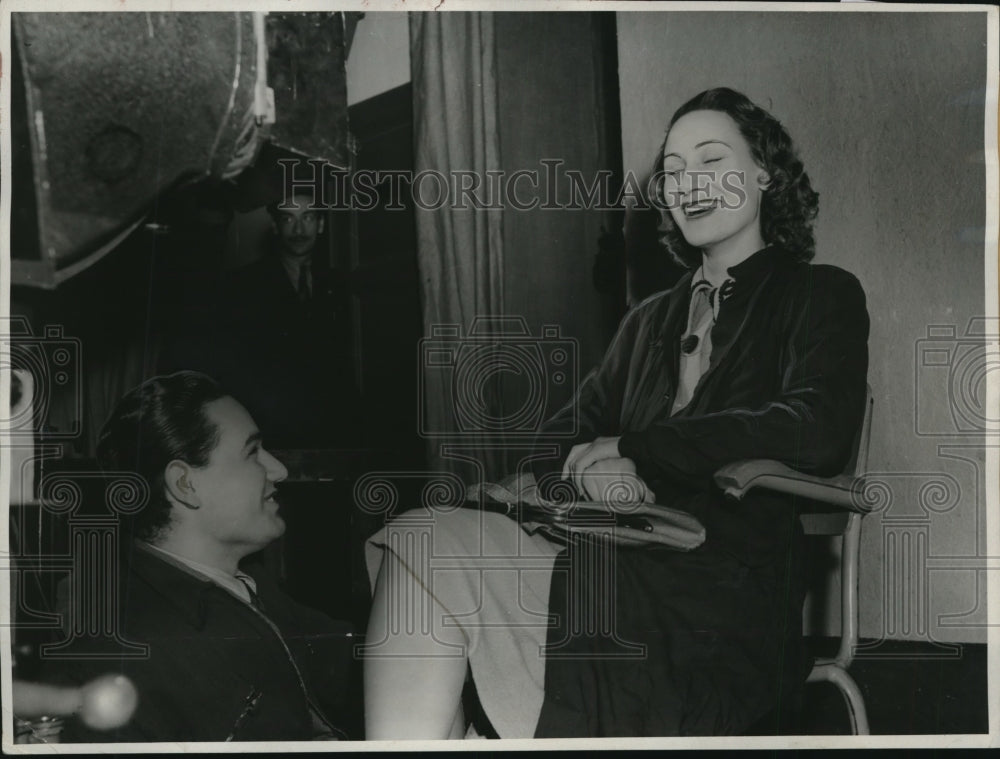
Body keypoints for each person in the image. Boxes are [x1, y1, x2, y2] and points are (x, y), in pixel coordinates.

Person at [362, 87, 870, 738]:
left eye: (712, 161)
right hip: (605, 544)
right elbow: (558, 440)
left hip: (724, 581)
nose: (689, 184)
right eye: (676, 171)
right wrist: (585, 471)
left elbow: (817, 427)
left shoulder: (820, 294)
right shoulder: (648, 319)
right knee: (420, 538)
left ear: (766, 173)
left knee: (455, 558)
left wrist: (639, 449)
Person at [44, 371, 356, 741]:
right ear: (185, 485)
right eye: (252, 452)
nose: (279, 470)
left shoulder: (243, 585)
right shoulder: (127, 655)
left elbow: (349, 655)